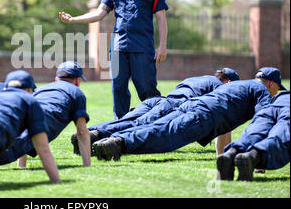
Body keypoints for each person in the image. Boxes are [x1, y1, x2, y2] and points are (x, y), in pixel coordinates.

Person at [59, 0, 168, 120]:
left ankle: (155, 124)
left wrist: (162, 46)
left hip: (143, 47)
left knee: (146, 87)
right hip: (118, 48)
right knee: (118, 87)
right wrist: (73, 19)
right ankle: (121, 125)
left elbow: (161, 19)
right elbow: (99, 13)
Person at [92, 67, 284, 161]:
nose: (275, 92)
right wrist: (258, 153)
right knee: (165, 136)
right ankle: (118, 144)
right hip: (203, 115)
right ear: (270, 84)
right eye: (276, 88)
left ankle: (111, 139)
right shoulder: (261, 91)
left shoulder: (237, 85)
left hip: (190, 105)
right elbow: (262, 120)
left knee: (155, 127)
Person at [71, 68, 240, 156]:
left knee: (129, 121)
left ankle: (92, 133)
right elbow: (222, 120)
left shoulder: (199, 78)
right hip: (174, 105)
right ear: (229, 82)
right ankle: (101, 138)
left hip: (160, 100)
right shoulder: (219, 87)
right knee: (140, 126)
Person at [0, 61, 91, 169]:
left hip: (19, 119)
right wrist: (87, 166)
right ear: (77, 81)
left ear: (57, 79)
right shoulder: (77, 93)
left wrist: (21, 167)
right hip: (41, 123)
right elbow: (81, 132)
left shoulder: (41, 89)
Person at [217, 89, 289, 181]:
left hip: (272, 106)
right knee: (280, 137)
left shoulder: (283, 94)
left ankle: (231, 153)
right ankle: (252, 156)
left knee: (253, 133)